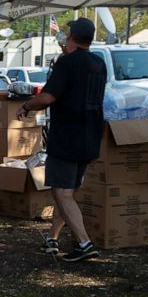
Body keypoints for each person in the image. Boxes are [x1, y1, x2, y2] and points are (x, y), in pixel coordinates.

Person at [16, 18, 105, 262]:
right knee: (67, 192)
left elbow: (47, 97)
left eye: (67, 33)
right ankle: (53, 238)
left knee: (62, 192)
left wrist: (26, 105)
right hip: (91, 136)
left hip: (68, 136)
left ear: (72, 37)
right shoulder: (99, 63)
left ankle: (84, 243)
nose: (64, 37)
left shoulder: (67, 63)